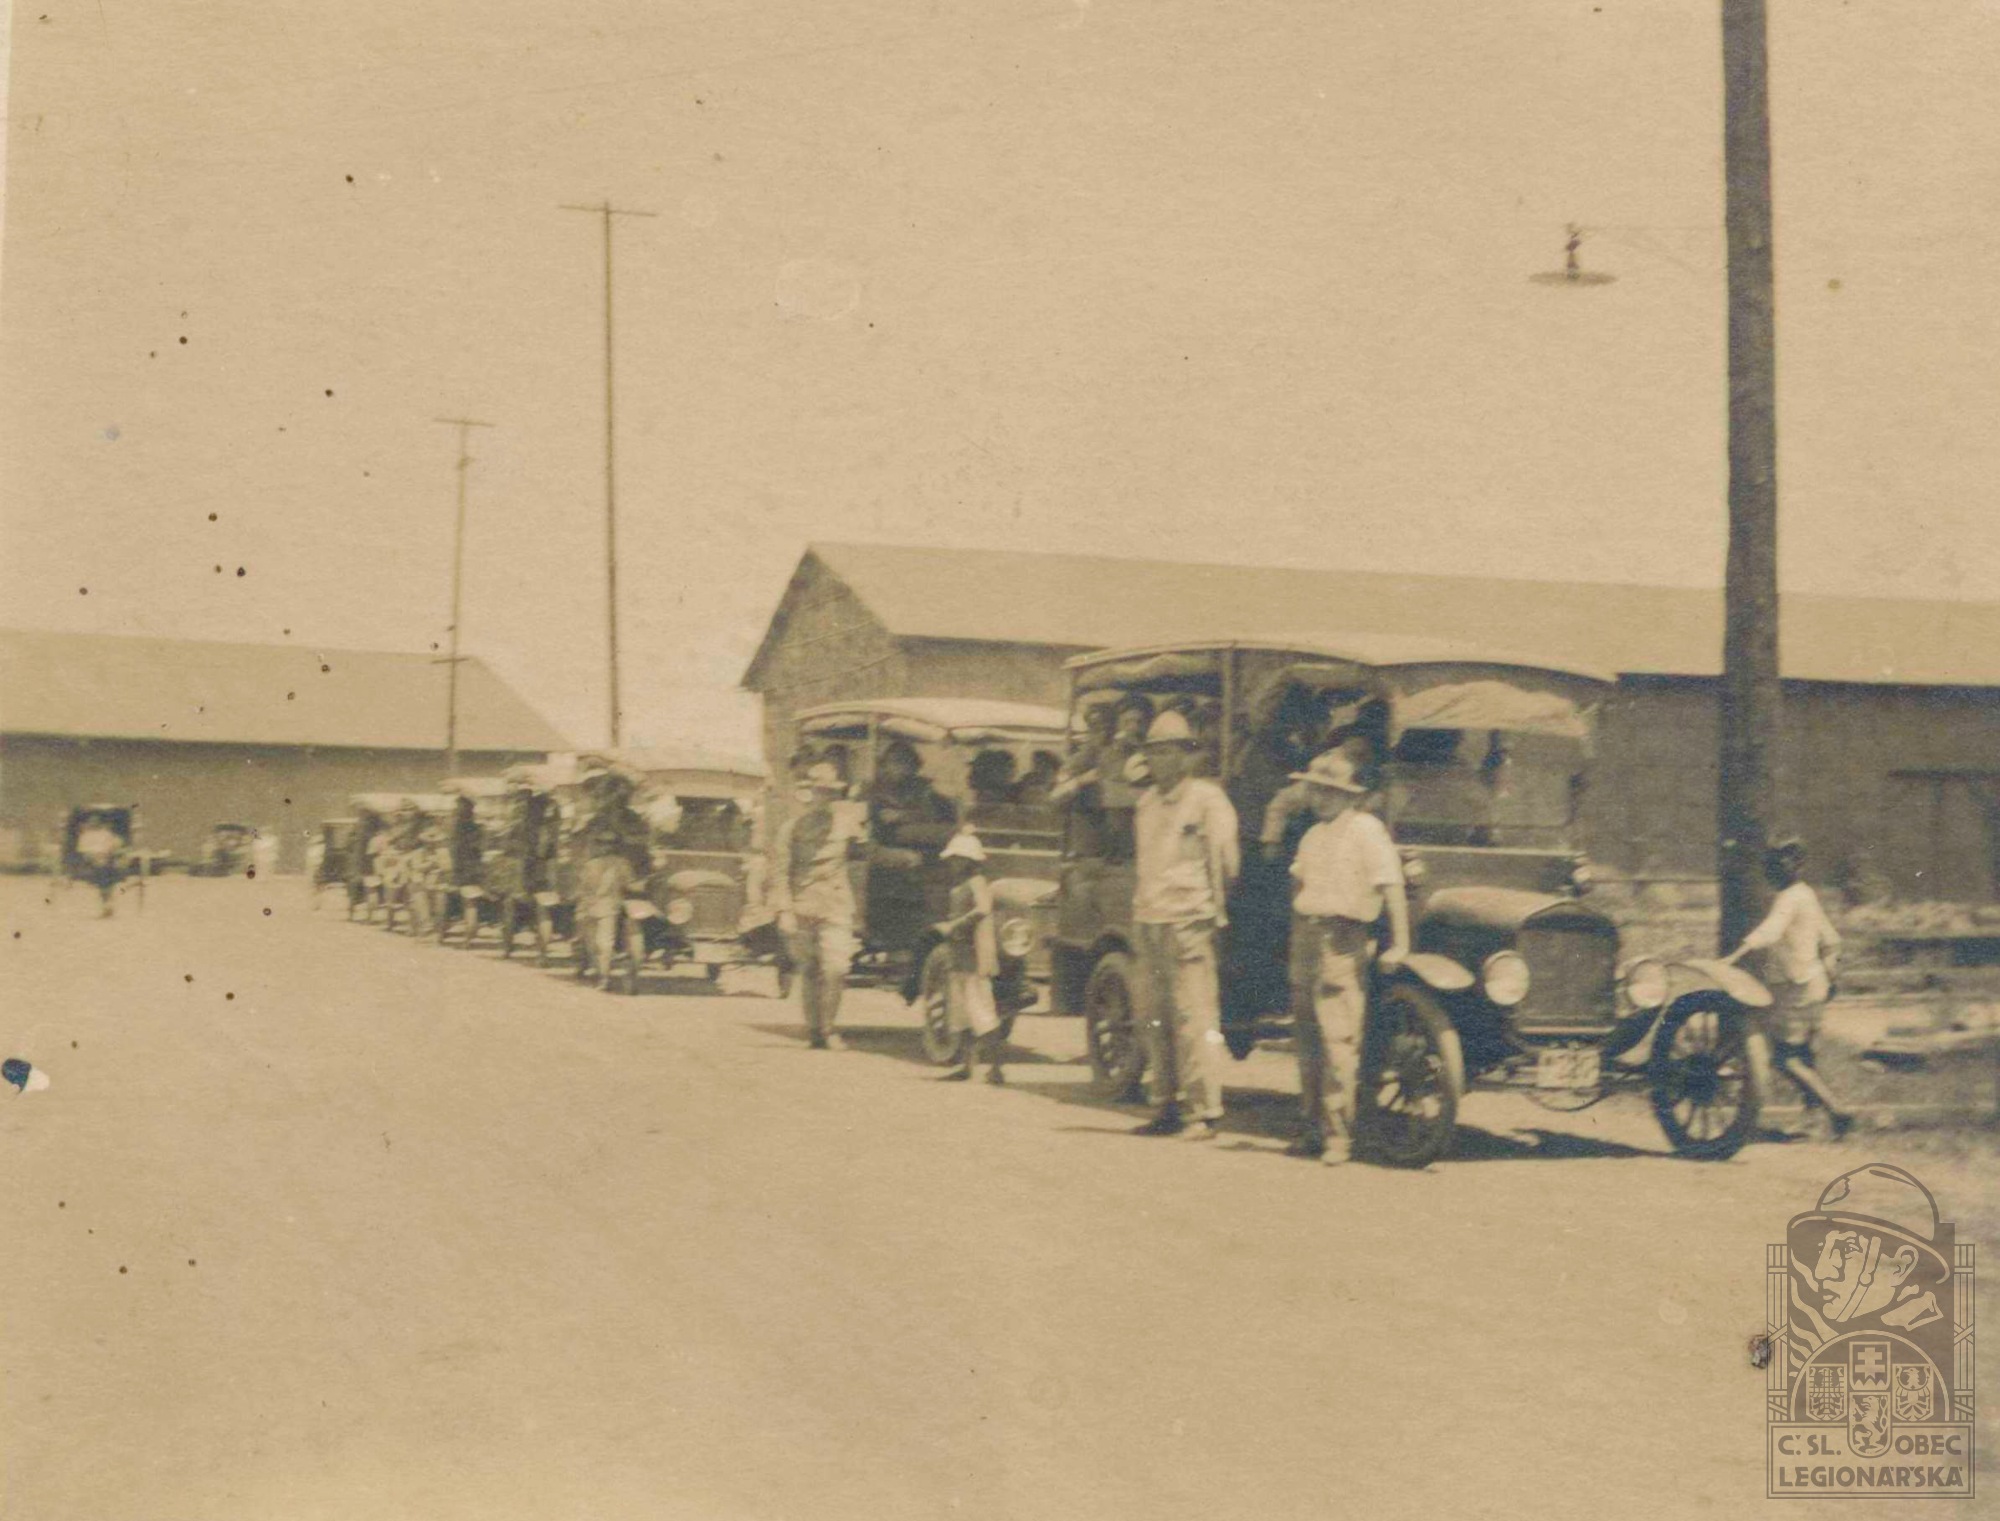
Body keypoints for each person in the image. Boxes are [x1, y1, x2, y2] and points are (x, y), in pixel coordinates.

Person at [1283, 749, 1410, 1165]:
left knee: (1338, 1039)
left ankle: (1338, 1136)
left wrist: (1400, 943)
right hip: (1308, 935)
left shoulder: (1366, 831)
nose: (1321, 798)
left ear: (1350, 795)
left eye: (1330, 791)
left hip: (1343, 938)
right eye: (1316, 790)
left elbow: (1391, 885)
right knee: (1307, 1038)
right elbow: (1300, 886)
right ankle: (1310, 1128)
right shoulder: (1312, 836)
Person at [1129, 710, 1241, 1141]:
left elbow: (1228, 861)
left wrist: (1211, 906)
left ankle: (1202, 1112)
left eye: (1168, 751)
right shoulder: (1146, 804)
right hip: (1150, 917)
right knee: (1153, 1017)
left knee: (1193, 1016)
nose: (1159, 760)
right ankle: (1165, 1105)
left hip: (1189, 919)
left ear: (1186, 756)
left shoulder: (1207, 799)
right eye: (1154, 752)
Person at [1726, 838, 1855, 1140]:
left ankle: (1837, 1109)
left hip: (1795, 987)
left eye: (1780, 864)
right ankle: (1812, 1120)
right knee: (1804, 1056)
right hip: (1814, 985)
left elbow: (1771, 930)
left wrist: (1735, 955)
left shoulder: (1788, 898)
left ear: (1794, 867)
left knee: (1784, 1057)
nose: (1774, 871)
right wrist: (1830, 971)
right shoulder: (1806, 894)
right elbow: (1831, 939)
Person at [773, 761, 865, 1050]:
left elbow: (865, 854)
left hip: (836, 905)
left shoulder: (847, 826)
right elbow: (780, 873)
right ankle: (815, 1030)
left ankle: (829, 1028)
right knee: (810, 970)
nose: (824, 798)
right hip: (802, 906)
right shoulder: (791, 829)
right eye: (819, 792)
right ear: (809, 793)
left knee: (836, 967)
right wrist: (784, 911)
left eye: (829, 793)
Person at [933, 831, 1006, 1085]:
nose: (953, 863)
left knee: (981, 1012)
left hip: (974, 956)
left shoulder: (976, 881)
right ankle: (967, 1065)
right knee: (962, 1013)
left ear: (968, 860)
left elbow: (983, 908)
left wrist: (955, 925)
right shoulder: (963, 883)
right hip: (960, 955)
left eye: (957, 859)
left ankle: (996, 1068)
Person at [74, 811, 124, 918]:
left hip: (106, 859)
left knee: (105, 870)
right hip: (91, 860)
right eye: (92, 821)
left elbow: (113, 846)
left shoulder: (106, 833)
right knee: (103, 872)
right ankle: (106, 903)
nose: (94, 823)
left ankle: (106, 903)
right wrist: (93, 856)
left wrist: (107, 854)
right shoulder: (85, 835)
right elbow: (82, 851)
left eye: (96, 821)